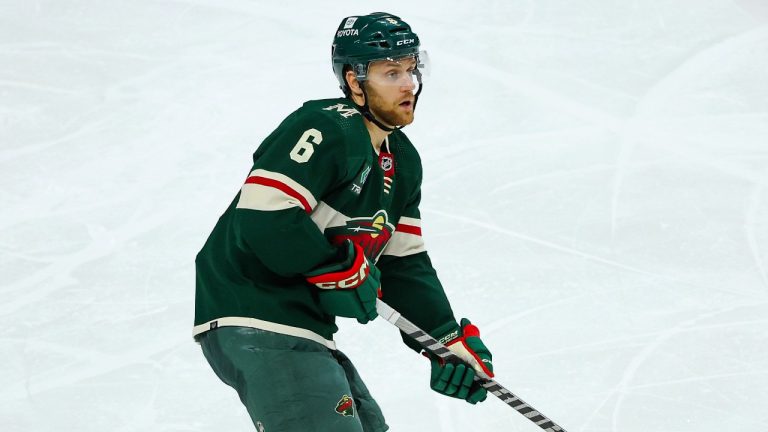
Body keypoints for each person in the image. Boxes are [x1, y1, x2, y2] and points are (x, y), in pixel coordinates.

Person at [194, 12, 495, 432]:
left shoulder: (402, 161)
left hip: (305, 329)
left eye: (411, 69)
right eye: (391, 72)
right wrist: (332, 266)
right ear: (354, 81)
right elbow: (264, 212)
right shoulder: (326, 125)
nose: (408, 84)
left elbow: (402, 265)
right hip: (255, 313)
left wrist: (446, 340)